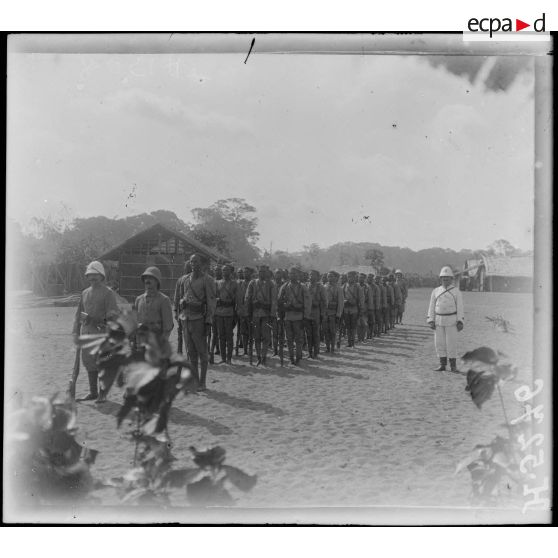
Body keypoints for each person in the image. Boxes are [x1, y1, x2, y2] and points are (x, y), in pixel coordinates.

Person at [72, 261, 119, 402]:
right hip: (86, 332)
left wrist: (100, 320)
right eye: (90, 275)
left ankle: (103, 394)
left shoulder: (108, 293)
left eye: (95, 275)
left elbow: (113, 315)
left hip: (102, 333)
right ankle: (93, 392)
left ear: (101, 276)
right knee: (88, 362)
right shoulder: (84, 293)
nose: (92, 278)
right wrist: (75, 331)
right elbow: (78, 313)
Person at [176, 253, 216, 391]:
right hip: (185, 319)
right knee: (191, 352)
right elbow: (178, 299)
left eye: (196, 262)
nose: (194, 264)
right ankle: (195, 380)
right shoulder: (183, 280)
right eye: (192, 261)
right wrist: (178, 316)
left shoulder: (207, 280)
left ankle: (202, 382)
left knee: (202, 353)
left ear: (202, 264)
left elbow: (211, 301)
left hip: (199, 319)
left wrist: (208, 321)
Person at [427, 266, 465, 372]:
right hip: (438, 320)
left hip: (452, 321)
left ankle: (453, 366)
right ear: (440, 279)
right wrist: (431, 320)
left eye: (447, 278)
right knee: (439, 343)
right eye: (443, 278)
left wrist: (460, 321)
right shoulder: (435, 291)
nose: (445, 280)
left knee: (451, 343)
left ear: (451, 279)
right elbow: (431, 306)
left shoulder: (456, 292)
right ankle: (442, 364)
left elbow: (460, 307)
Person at [278, 267, 311, 365]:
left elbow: (307, 303)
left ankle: (298, 356)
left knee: (299, 339)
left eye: (295, 274)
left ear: (298, 275)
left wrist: (306, 317)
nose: (293, 275)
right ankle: (291, 357)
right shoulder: (284, 286)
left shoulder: (303, 287)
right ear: (289, 275)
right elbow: (279, 301)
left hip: (299, 317)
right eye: (291, 274)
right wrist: (280, 314)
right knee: (289, 339)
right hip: (288, 316)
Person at [245, 264, 277, 365]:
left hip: (266, 314)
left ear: (267, 272)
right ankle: (259, 356)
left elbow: (274, 300)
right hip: (255, 313)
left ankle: (264, 356)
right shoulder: (252, 283)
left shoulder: (271, 284)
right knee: (256, 337)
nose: (262, 273)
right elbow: (247, 298)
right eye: (260, 271)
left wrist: (272, 314)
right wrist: (248, 312)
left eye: (264, 271)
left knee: (266, 337)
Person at [135, 266, 174, 341]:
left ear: (157, 281)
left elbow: (167, 327)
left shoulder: (164, 300)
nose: (147, 280)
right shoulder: (138, 299)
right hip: (141, 341)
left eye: (151, 278)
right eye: (146, 278)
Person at [214, 263, 238, 364]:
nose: (225, 272)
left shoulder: (234, 284)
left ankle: (229, 358)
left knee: (229, 336)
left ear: (231, 272)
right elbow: (214, 296)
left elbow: (237, 299)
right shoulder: (217, 283)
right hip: (219, 313)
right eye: (223, 270)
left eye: (227, 270)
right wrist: (218, 300)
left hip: (229, 313)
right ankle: (223, 358)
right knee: (221, 336)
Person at [305, 269, 326, 359]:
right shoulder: (305, 286)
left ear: (318, 277)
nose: (311, 277)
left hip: (316, 312)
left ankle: (316, 352)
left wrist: (322, 313)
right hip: (307, 313)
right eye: (310, 275)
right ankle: (310, 352)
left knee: (316, 333)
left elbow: (324, 301)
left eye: (313, 275)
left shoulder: (321, 287)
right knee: (308, 333)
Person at [323, 271, 344, 353]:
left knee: (333, 331)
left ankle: (332, 347)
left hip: (334, 313)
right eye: (328, 276)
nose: (330, 278)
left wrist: (338, 314)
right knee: (325, 331)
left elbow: (341, 303)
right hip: (325, 313)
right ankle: (327, 347)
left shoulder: (339, 288)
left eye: (331, 276)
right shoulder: (324, 287)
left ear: (336, 278)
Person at [342, 271, 364, 347]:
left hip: (354, 309)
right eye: (348, 276)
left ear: (355, 277)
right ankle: (349, 342)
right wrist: (345, 301)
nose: (350, 278)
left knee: (353, 326)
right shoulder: (344, 286)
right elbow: (341, 297)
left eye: (351, 276)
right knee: (348, 326)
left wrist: (361, 310)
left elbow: (361, 299)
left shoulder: (358, 287)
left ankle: (353, 342)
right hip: (346, 309)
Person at [235, 266, 253, 356]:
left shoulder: (253, 283)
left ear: (251, 273)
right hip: (242, 311)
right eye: (244, 272)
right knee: (243, 332)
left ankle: (250, 350)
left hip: (251, 312)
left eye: (247, 272)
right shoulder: (240, 283)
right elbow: (238, 297)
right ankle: (245, 350)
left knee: (251, 332)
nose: (245, 274)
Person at [357, 273, 370, 343]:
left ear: (365, 279)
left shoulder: (367, 287)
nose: (361, 279)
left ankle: (363, 337)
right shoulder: (356, 286)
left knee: (364, 323)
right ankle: (359, 338)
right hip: (356, 306)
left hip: (365, 306)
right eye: (360, 277)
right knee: (358, 323)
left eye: (362, 278)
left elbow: (369, 298)